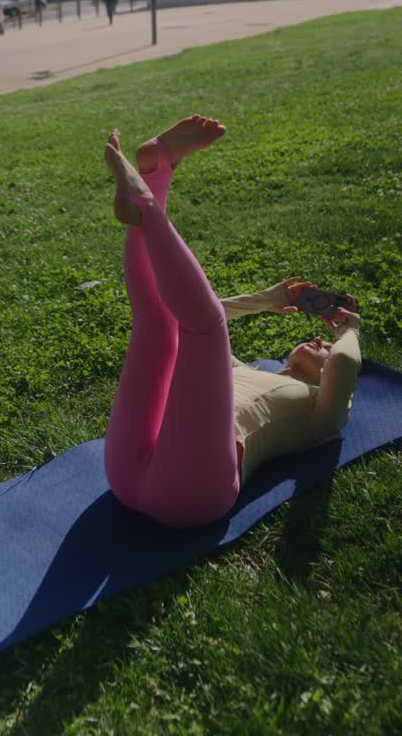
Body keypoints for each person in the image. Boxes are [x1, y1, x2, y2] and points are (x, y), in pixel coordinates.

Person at [103, 115, 361, 529]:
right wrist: (269, 299)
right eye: (325, 339)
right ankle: (155, 175)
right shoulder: (240, 372)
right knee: (159, 323)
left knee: (202, 327)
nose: (320, 340)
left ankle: (148, 203)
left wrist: (351, 330)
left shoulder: (323, 417)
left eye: (326, 347)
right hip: (128, 470)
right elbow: (188, 310)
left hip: (191, 496)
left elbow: (346, 364)